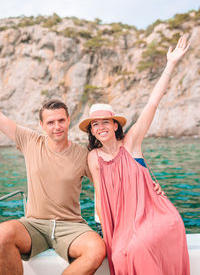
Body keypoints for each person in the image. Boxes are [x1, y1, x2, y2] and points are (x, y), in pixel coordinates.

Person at [79, 36, 190, 275]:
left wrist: (170, 65)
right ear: (92, 131)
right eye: (95, 124)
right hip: (121, 223)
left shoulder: (131, 142)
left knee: (139, 246)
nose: (101, 127)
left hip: (155, 216)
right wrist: (102, 227)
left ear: (115, 125)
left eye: (105, 122)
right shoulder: (94, 157)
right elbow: (100, 193)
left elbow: (152, 102)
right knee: (120, 252)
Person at [0, 99, 106, 275]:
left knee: (96, 250)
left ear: (68, 120)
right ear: (42, 124)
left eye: (61, 120)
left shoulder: (84, 155)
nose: (57, 126)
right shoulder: (30, 141)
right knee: (2, 235)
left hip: (71, 226)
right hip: (34, 224)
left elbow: (110, 182)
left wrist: (150, 188)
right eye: (50, 122)